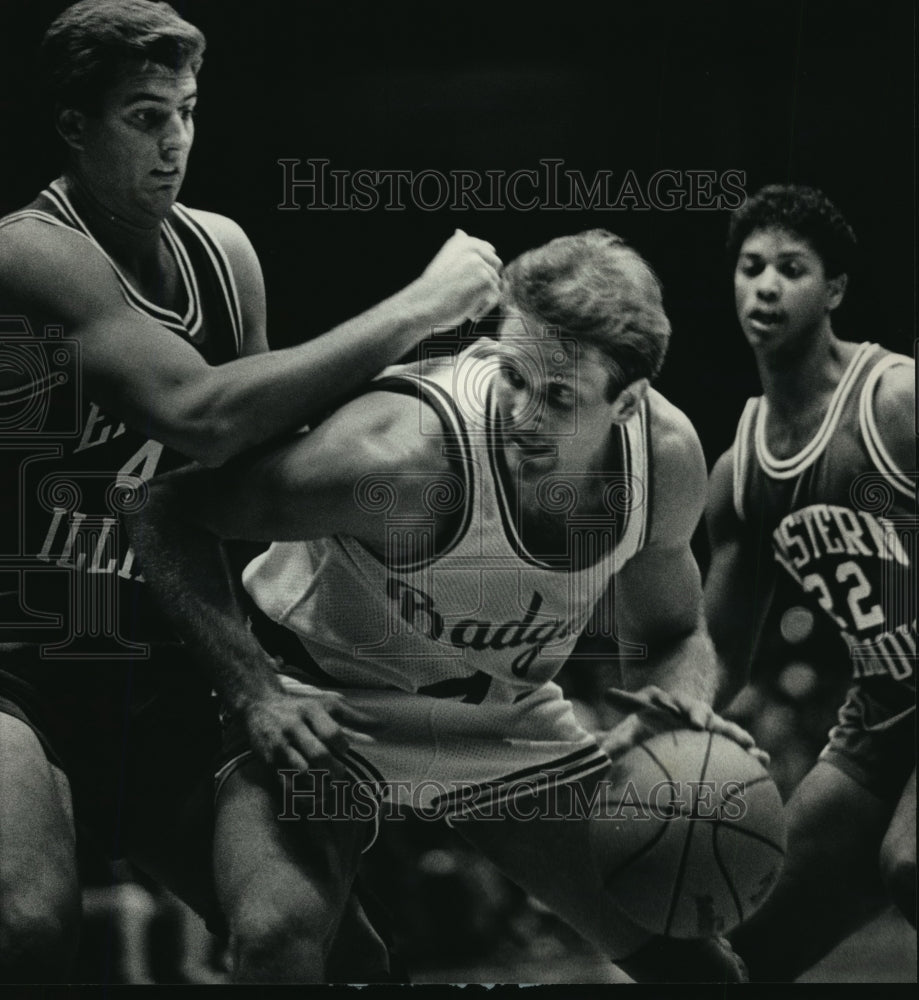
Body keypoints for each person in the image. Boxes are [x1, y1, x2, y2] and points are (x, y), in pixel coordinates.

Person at [0, 0, 500, 981]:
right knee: (28, 922)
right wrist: (418, 306)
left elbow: (256, 472)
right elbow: (201, 412)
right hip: (25, 661)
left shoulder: (224, 254)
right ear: (74, 125)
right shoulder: (28, 250)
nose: (175, 141)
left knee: (315, 948)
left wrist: (444, 402)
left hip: (171, 665)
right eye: (145, 116)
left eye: (186, 111)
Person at [128, 229, 763, 983]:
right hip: (320, 699)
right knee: (277, 936)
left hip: (498, 721)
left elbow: (674, 628)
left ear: (627, 403)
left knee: (700, 970)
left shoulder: (664, 460)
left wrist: (677, 711)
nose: (520, 414)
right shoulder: (399, 458)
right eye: (511, 375)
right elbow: (163, 507)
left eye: (558, 396)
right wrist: (253, 692)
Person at [704, 184, 916, 980]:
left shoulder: (894, 399)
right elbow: (718, 652)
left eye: (790, 268)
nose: (764, 284)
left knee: (910, 861)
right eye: (750, 266)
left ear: (833, 291)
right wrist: (654, 738)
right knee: (739, 952)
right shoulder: (741, 470)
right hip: (885, 714)